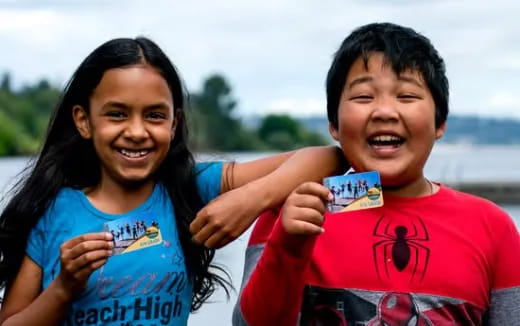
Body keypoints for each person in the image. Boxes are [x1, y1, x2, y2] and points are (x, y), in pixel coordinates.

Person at [0, 37, 346, 326]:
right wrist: (63, 288)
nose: (136, 132)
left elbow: (330, 157)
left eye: (154, 115)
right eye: (117, 114)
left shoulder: (190, 189)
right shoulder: (51, 212)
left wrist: (250, 199)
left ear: (174, 124)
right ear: (84, 121)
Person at [233, 23, 520, 326]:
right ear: (334, 124)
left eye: (407, 96)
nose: (384, 111)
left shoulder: (491, 228)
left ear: (440, 123)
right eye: (363, 97)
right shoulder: (296, 213)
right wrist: (287, 245)